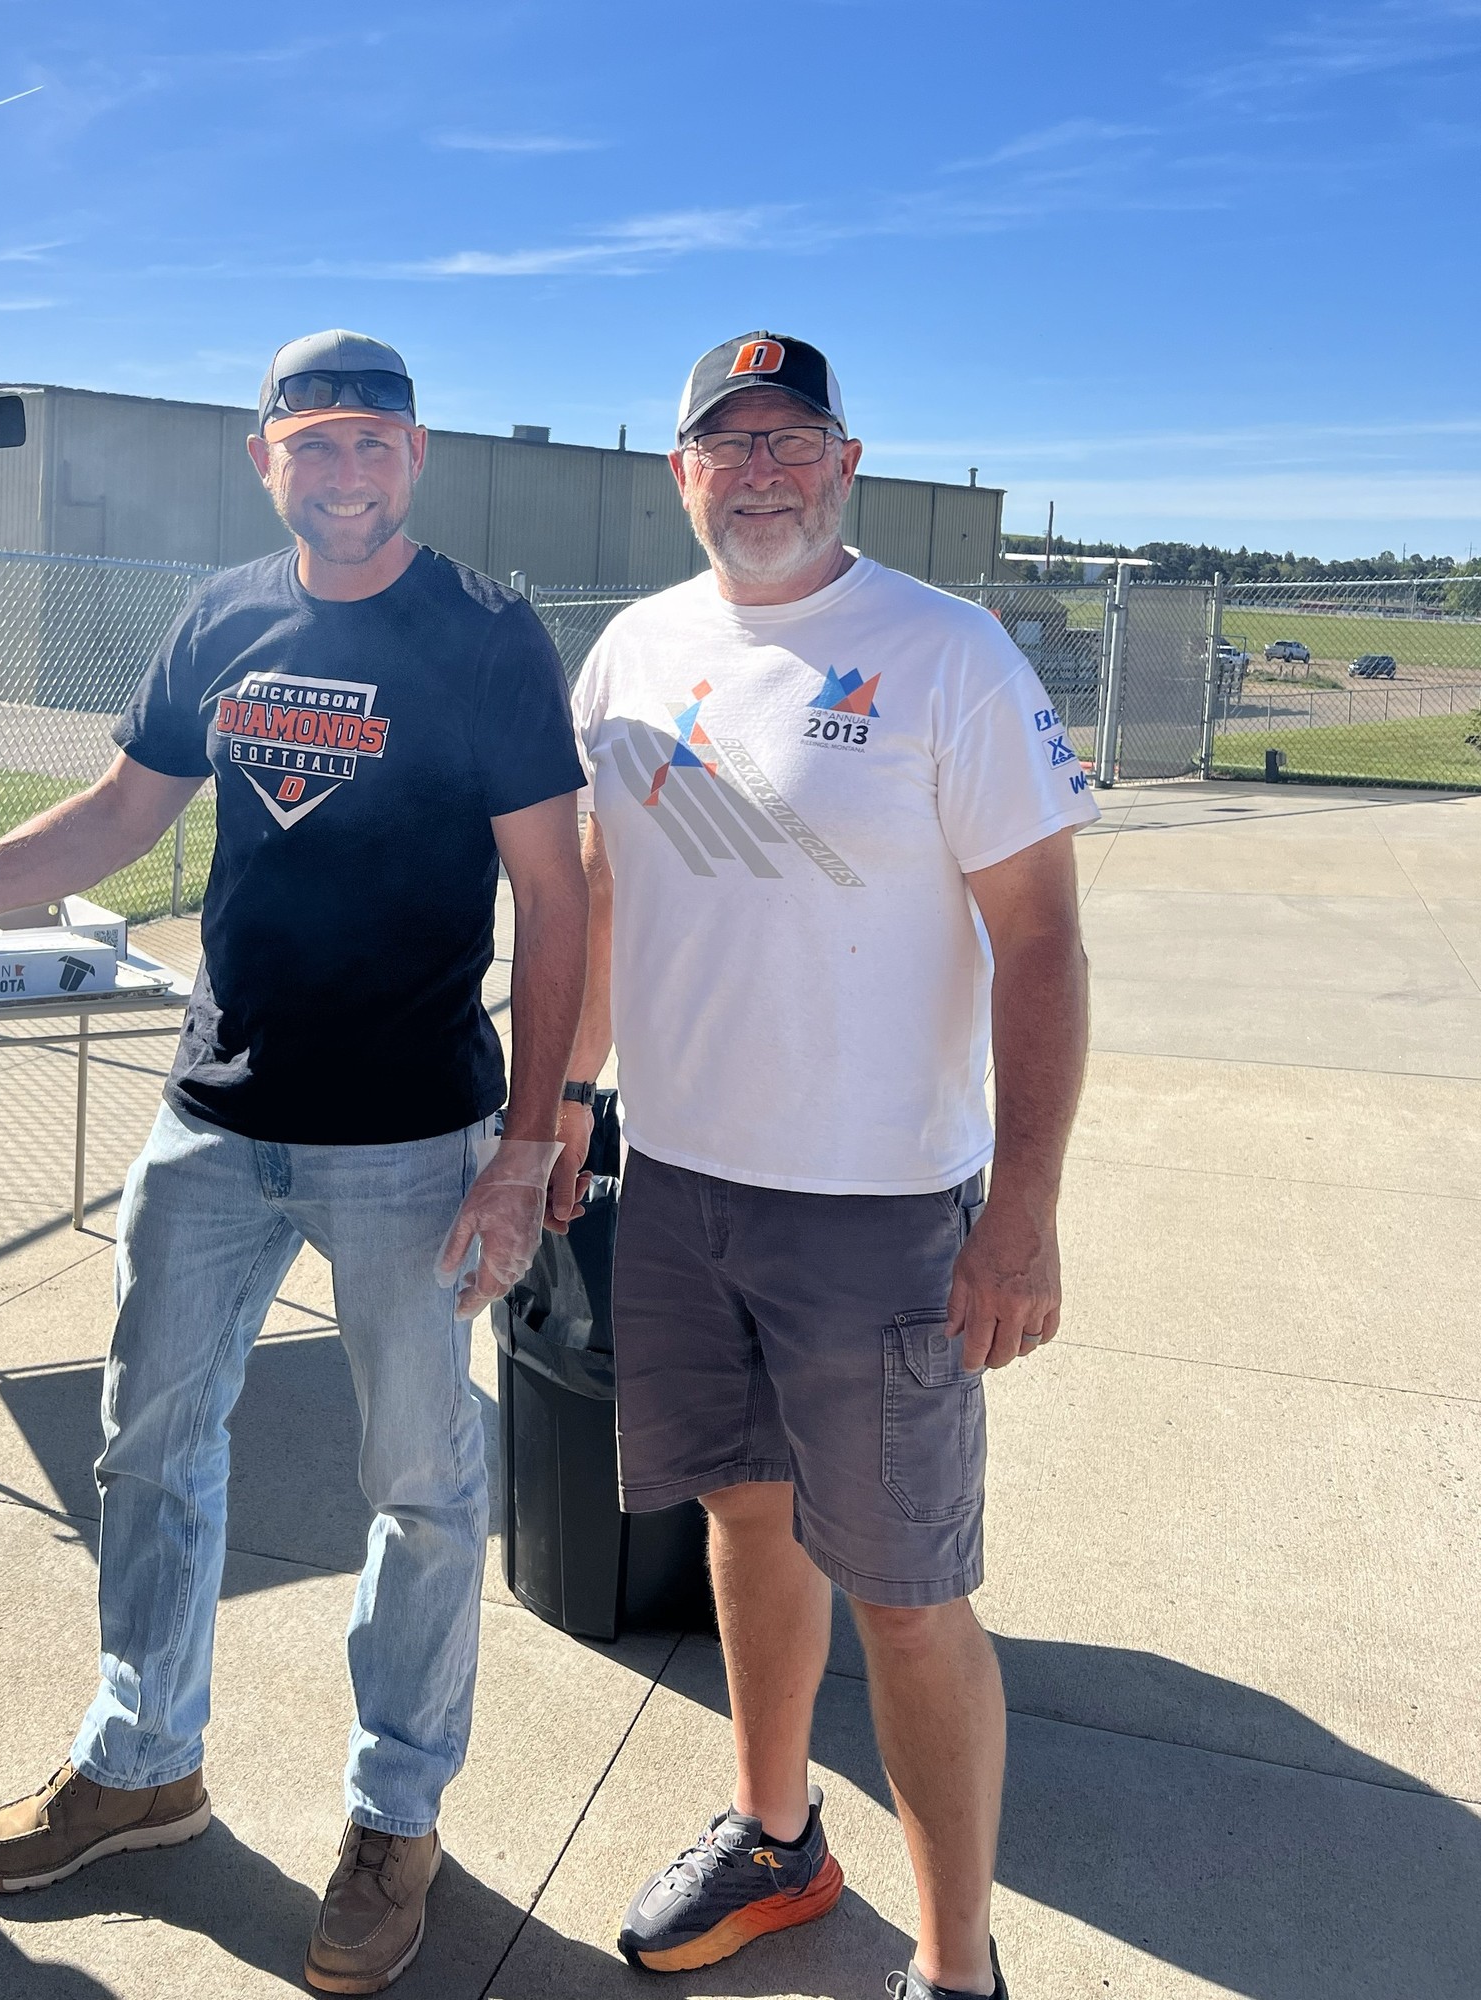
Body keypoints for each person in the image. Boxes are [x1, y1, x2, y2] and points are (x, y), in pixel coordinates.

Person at [0, 330, 589, 1995]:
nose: (346, 471)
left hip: (410, 1140)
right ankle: (142, 1764)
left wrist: (530, 1146)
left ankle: (395, 1819)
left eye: (374, 441)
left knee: (422, 1490)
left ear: (415, 457)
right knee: (148, 1453)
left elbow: (556, 890)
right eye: (316, 442)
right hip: (214, 1124)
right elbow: (115, 818)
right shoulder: (221, 617)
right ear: (265, 459)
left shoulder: (486, 633)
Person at [552, 331, 1096, 2000]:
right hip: (681, 1189)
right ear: (681, 474)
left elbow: (1043, 940)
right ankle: (777, 1835)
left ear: (846, 463)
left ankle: (955, 1968)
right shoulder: (634, 652)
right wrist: (562, 1102)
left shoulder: (945, 652)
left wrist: (1022, 1213)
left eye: (793, 439)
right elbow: (609, 892)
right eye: (729, 444)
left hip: (880, 1211)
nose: (762, 471)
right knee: (744, 1512)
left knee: (910, 1594)